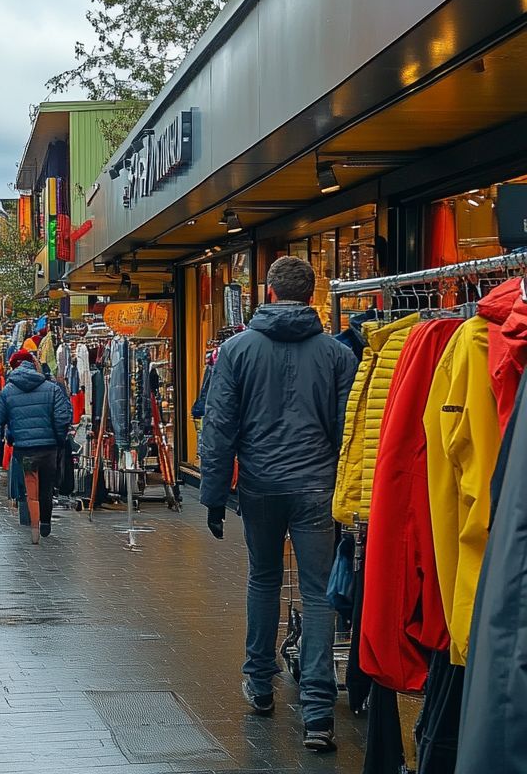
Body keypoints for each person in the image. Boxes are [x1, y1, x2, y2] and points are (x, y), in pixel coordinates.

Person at [199, 255, 357, 753]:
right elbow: (347, 432)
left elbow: (220, 427)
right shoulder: (336, 355)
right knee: (316, 594)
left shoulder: (238, 350)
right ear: (312, 296)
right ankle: (316, 712)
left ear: (267, 293)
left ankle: (261, 684)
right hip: (317, 485)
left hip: (261, 484)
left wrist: (213, 495)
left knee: (263, 579)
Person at [0, 349, 70, 544]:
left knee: (31, 484)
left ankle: (34, 525)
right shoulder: (52, 388)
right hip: (48, 448)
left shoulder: (7, 392)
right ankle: (46, 521)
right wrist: (59, 439)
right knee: (47, 486)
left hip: (25, 448)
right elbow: (62, 417)